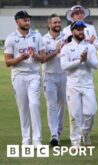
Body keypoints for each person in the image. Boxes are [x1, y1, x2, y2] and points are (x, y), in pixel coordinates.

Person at [4, 11, 45, 147]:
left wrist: (35, 56)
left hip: (33, 75)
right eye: (24, 20)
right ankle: (26, 140)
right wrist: (20, 58)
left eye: (28, 20)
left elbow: (43, 58)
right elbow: (8, 62)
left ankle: (37, 139)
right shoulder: (11, 38)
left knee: (34, 105)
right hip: (18, 76)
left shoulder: (37, 36)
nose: (27, 22)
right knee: (23, 109)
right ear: (17, 22)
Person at [60, 20, 98, 148]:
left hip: (88, 84)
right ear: (72, 31)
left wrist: (86, 60)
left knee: (91, 112)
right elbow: (64, 66)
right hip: (73, 85)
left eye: (82, 29)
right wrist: (79, 61)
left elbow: (96, 65)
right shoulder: (66, 47)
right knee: (75, 114)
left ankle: (85, 133)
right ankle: (75, 141)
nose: (81, 31)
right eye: (78, 29)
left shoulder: (90, 46)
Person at [42, 13, 66, 146]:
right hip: (49, 76)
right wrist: (56, 51)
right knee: (51, 105)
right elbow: (42, 59)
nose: (57, 24)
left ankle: (59, 132)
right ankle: (54, 134)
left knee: (61, 105)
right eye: (55, 22)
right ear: (49, 24)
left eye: (59, 22)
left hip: (63, 75)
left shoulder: (66, 38)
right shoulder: (43, 39)